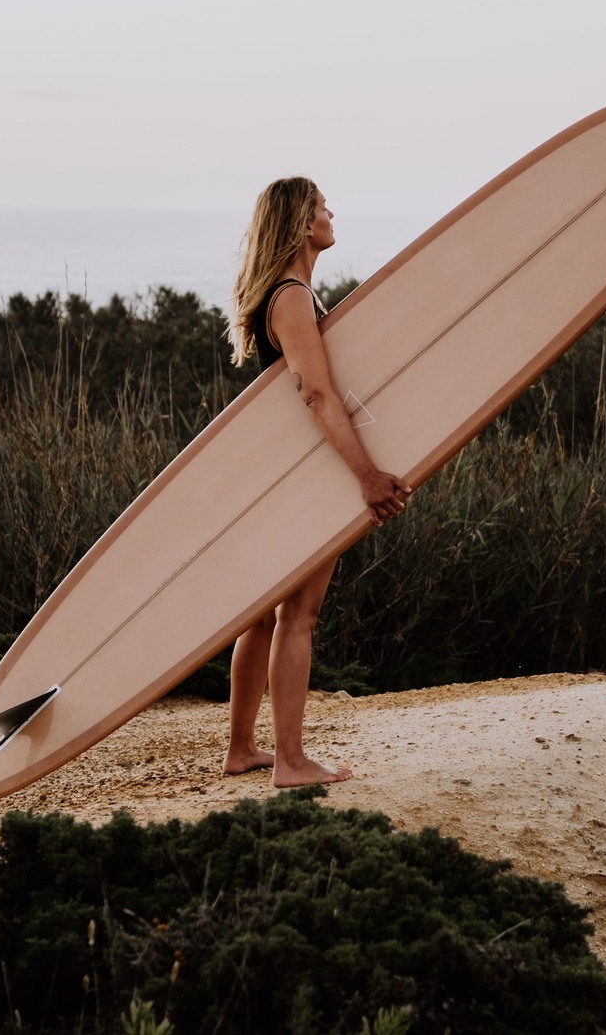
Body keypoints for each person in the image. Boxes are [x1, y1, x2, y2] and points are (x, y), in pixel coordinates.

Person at [222, 176, 411, 787]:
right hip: (307, 474)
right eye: (324, 206)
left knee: (259, 613)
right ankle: (292, 762)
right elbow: (316, 393)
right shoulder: (293, 295)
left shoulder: (283, 291)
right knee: (297, 613)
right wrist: (366, 475)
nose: (333, 213)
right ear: (304, 223)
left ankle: (243, 750)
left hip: (278, 472)